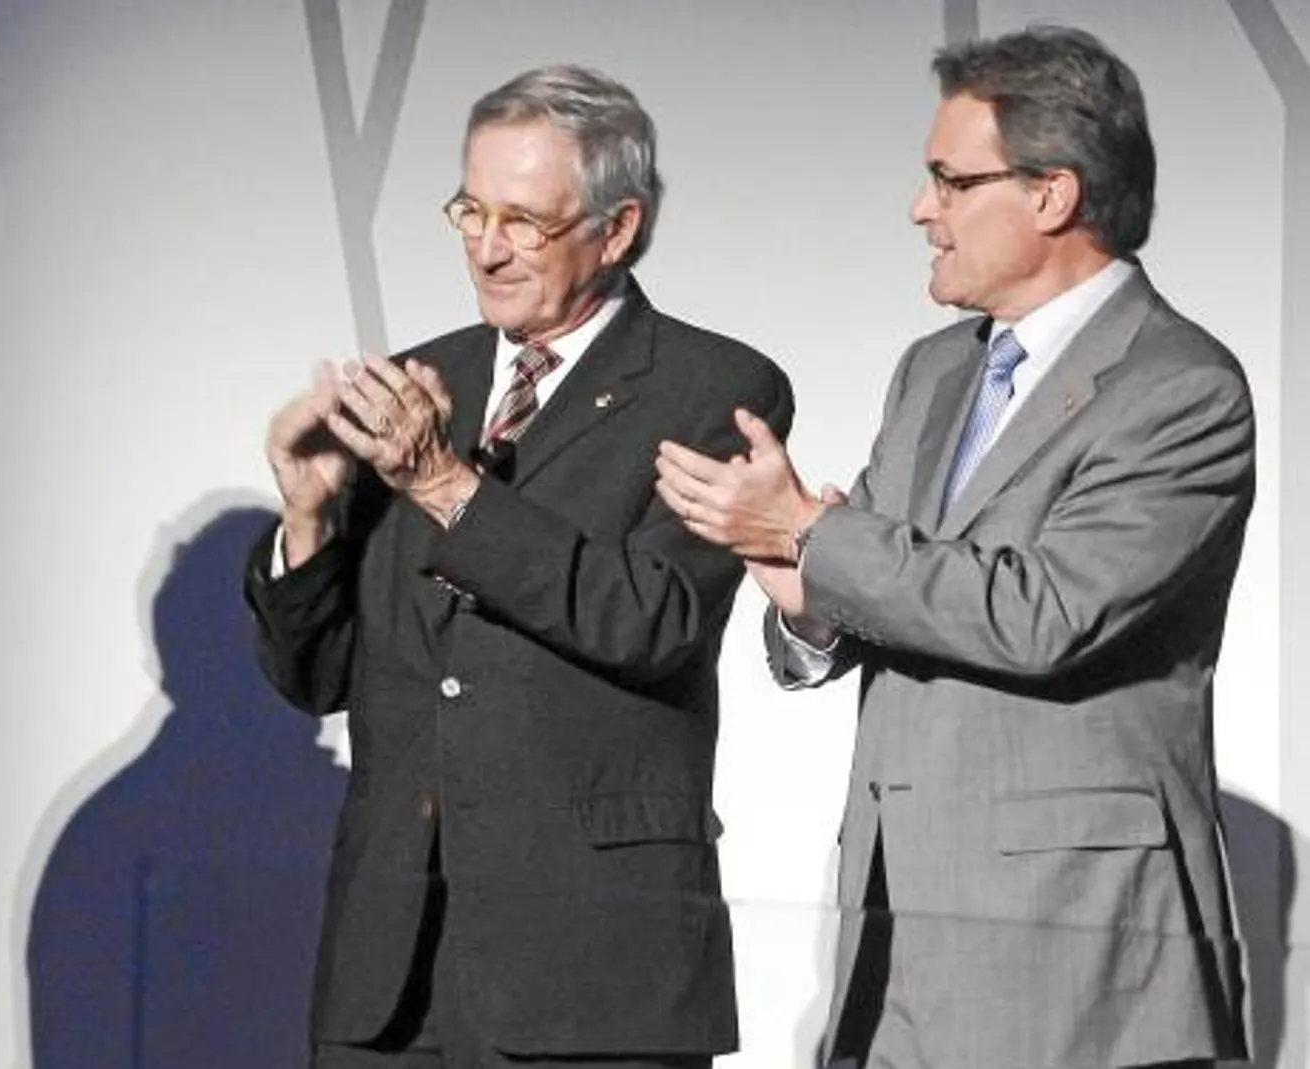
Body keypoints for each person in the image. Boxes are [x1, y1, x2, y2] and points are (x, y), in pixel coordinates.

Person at [654, 26, 1250, 1069]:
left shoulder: (1178, 389)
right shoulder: (932, 371)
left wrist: (809, 529)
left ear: (1051, 196)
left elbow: (1041, 614)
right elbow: (867, 584)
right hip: (899, 938)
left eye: (948, 180)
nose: (920, 209)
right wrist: (797, 590)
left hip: (1076, 948)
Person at [246, 64, 792, 1068]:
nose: (485, 249)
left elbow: (653, 621)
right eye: (469, 210)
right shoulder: (425, 377)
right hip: (392, 970)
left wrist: (448, 487)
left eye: (524, 222)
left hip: (592, 968)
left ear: (617, 227)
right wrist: (309, 519)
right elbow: (312, 677)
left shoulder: (713, 388)